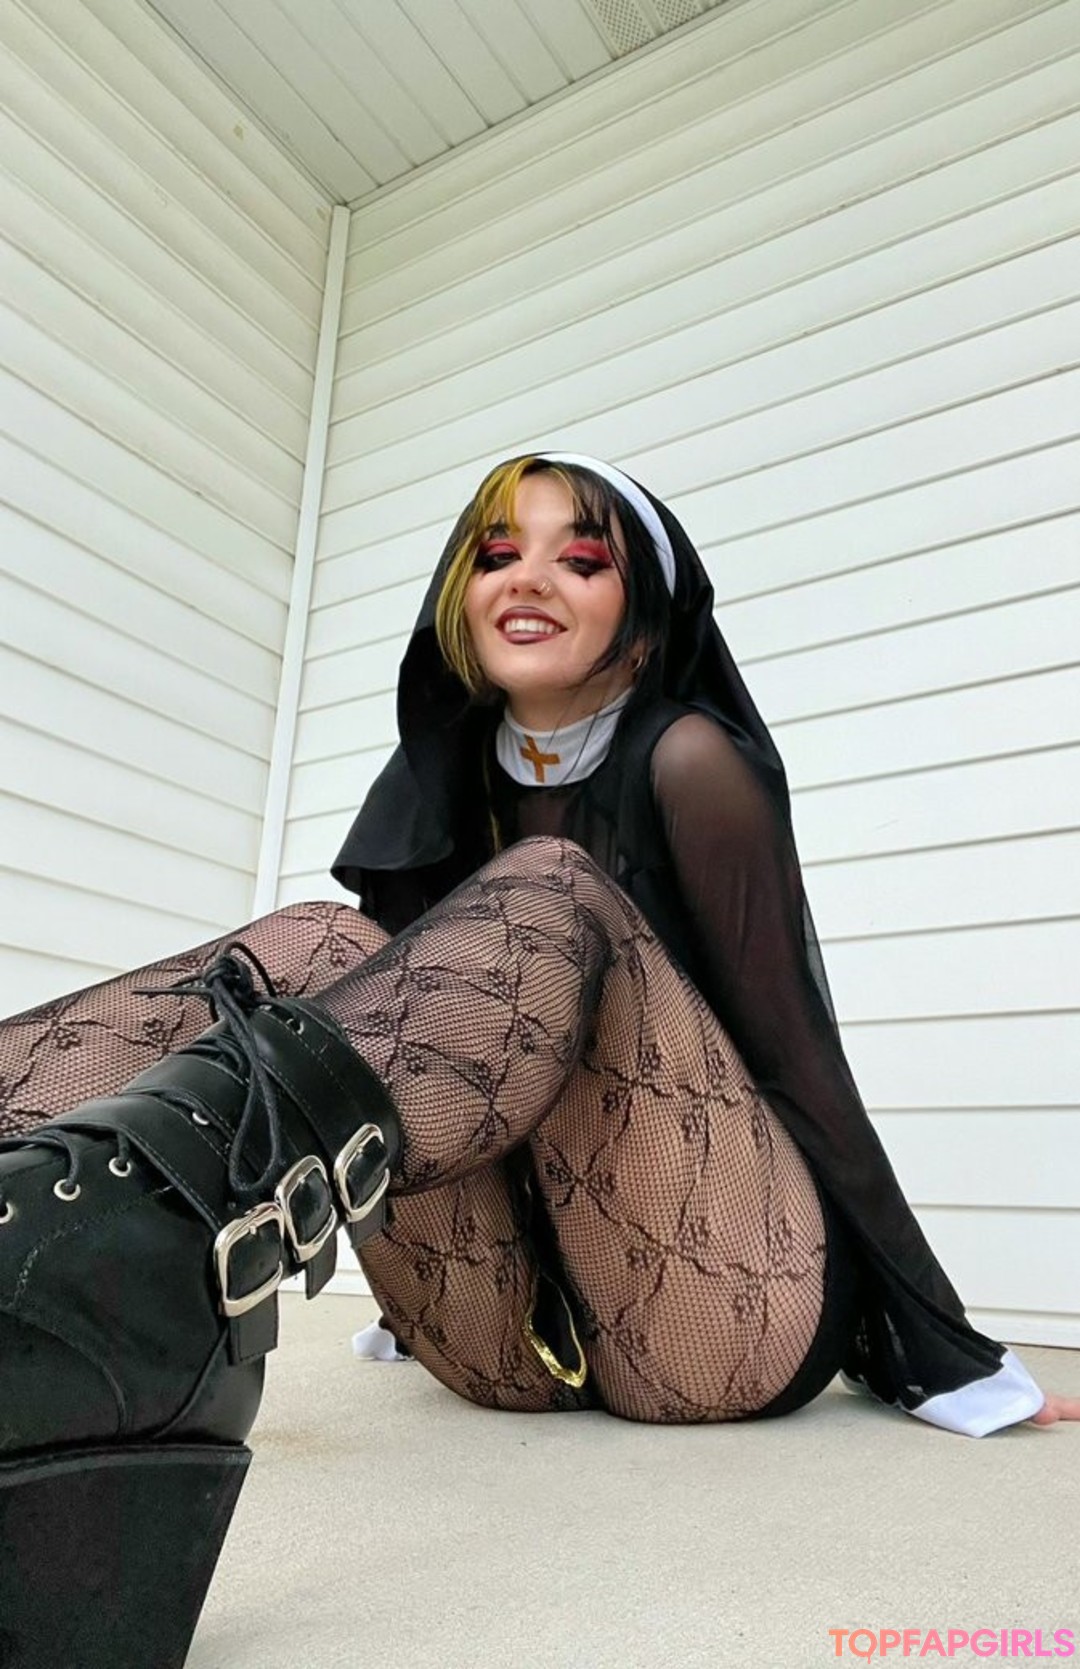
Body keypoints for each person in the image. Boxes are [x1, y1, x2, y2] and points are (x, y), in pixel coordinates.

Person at [0, 454, 1074, 1667]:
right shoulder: (439, 778)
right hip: (497, 1340)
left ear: (644, 614)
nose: (530, 578)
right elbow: (415, 1056)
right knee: (322, 944)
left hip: (716, 1308)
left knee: (553, 887)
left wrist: (945, 1349)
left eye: (584, 557)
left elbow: (797, 1054)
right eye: (500, 552)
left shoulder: (690, 760)